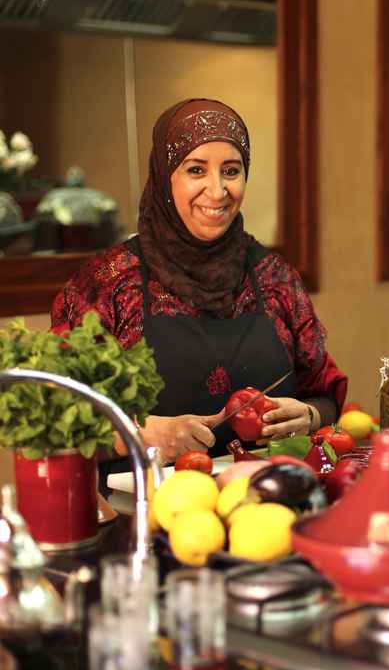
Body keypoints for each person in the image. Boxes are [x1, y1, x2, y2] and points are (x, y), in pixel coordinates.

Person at [51, 98, 348, 476]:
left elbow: (324, 393)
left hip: (267, 506)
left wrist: (308, 415)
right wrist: (140, 434)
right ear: (164, 176)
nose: (218, 190)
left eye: (231, 171)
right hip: (148, 513)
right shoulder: (105, 284)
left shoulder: (275, 278)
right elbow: (56, 420)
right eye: (196, 170)